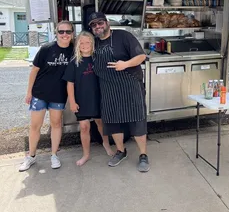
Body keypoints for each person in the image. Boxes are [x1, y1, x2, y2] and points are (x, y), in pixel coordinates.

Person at [89, 12, 150, 172]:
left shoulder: (123, 36)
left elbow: (141, 56)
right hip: (108, 90)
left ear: (106, 22)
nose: (98, 26)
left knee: (137, 121)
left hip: (130, 86)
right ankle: (121, 151)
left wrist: (125, 64)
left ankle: (143, 155)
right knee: (113, 123)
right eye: (94, 25)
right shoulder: (94, 43)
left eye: (100, 22)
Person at [19, 21, 74, 172]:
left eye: (68, 32)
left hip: (58, 95)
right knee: (35, 126)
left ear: (72, 33)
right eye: (61, 32)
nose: (64, 35)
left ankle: (54, 155)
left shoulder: (74, 51)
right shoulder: (46, 48)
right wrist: (29, 92)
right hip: (40, 93)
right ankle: (31, 156)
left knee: (56, 124)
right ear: (56, 33)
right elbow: (34, 71)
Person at [63, 31, 113, 166]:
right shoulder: (74, 62)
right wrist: (72, 102)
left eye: (88, 42)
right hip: (82, 100)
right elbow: (70, 83)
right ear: (78, 45)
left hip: (98, 98)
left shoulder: (98, 58)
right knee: (84, 127)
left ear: (93, 44)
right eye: (82, 43)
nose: (85, 45)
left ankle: (106, 144)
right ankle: (86, 154)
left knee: (101, 123)